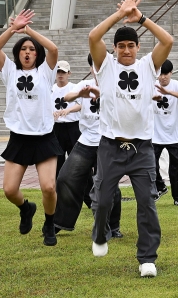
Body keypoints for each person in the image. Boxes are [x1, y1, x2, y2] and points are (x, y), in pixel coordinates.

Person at [88, 0, 173, 277]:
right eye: (121, 46)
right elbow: (92, 37)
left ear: (138, 48)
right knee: (101, 200)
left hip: (142, 149)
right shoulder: (106, 66)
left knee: (147, 203)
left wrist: (141, 19)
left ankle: (147, 258)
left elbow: (167, 41)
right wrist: (119, 16)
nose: (126, 50)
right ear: (114, 49)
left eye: (131, 46)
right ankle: (100, 235)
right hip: (110, 146)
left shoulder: (149, 66)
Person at [0, 9, 62, 246]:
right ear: (18, 54)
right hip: (19, 138)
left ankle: (50, 223)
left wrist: (28, 30)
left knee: (49, 187)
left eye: (31, 49)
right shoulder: (10, 71)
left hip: (44, 137)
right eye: (23, 49)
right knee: (10, 190)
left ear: (36, 54)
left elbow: (53, 50)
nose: (28, 52)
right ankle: (26, 208)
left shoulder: (46, 72)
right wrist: (13, 29)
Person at [53, 54, 123, 238]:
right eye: (95, 66)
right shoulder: (84, 85)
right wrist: (79, 94)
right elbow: (67, 96)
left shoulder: (117, 85)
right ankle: (61, 221)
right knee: (66, 178)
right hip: (86, 141)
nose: (98, 69)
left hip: (108, 142)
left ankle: (113, 226)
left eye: (102, 65)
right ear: (91, 68)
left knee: (108, 184)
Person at [152, 59, 178, 206]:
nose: (163, 77)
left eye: (166, 74)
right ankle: (160, 187)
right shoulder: (151, 85)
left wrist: (168, 92)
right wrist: (151, 97)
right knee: (150, 163)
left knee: (177, 167)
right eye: (160, 74)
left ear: (171, 73)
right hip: (156, 135)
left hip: (175, 134)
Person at [51, 60, 82, 180]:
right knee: (57, 160)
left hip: (73, 127)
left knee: (76, 160)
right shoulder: (50, 89)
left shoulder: (74, 88)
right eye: (58, 71)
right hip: (56, 128)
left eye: (63, 72)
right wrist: (51, 113)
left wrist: (69, 110)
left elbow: (81, 104)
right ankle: (58, 191)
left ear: (69, 73)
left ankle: (81, 190)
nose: (60, 74)